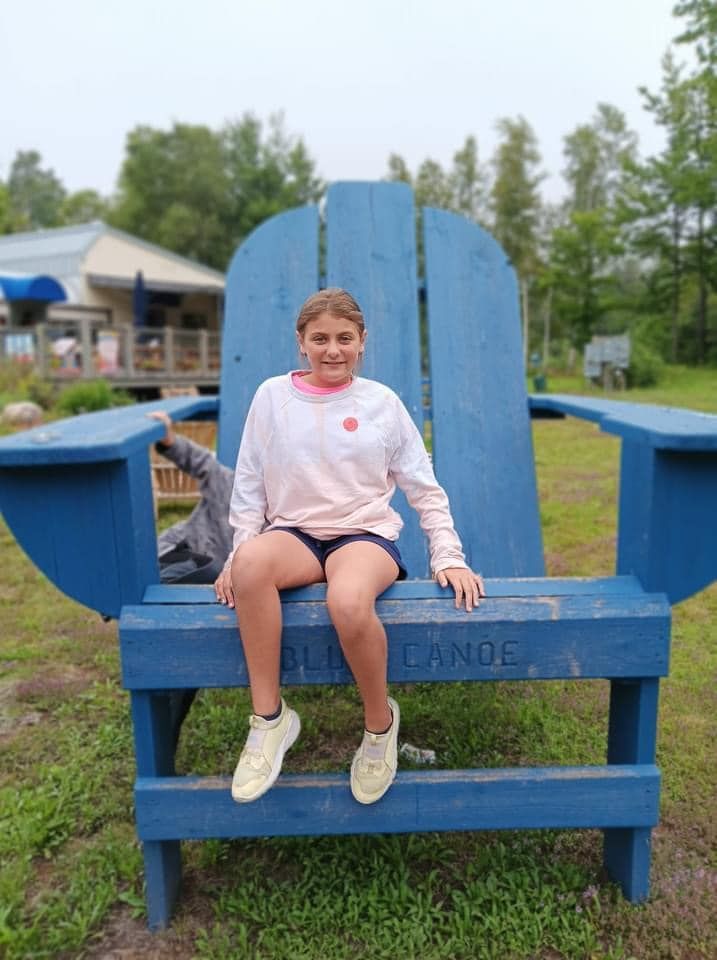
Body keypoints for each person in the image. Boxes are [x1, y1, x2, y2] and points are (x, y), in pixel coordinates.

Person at [214, 288, 485, 807]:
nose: (332, 349)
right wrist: (238, 552)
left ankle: (379, 727)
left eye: (344, 338)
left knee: (346, 601)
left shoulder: (381, 404)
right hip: (293, 534)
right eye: (320, 339)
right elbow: (249, 481)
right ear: (301, 344)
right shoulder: (272, 397)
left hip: (362, 536)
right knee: (250, 566)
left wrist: (448, 554)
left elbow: (423, 487)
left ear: (362, 342)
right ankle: (270, 721)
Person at [148, 411, 234, 584]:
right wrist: (170, 441)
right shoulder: (231, 485)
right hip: (184, 547)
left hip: (213, 568)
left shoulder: (282, 516)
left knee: (212, 569)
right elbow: (203, 462)